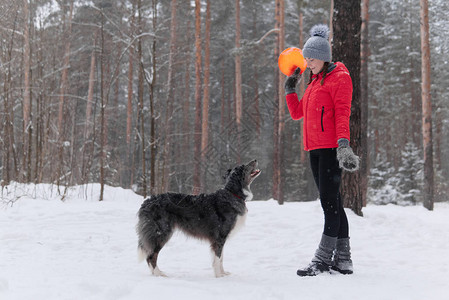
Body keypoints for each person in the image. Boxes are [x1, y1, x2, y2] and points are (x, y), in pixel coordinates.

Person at [284, 24, 359, 277]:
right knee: (334, 202)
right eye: (306, 58)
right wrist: (290, 89)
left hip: (330, 149)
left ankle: (322, 260)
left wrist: (343, 145)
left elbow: (342, 114)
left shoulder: (340, 78)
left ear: (324, 57)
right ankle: (344, 260)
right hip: (314, 149)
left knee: (329, 204)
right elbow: (297, 113)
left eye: (311, 59)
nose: (307, 63)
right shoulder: (315, 82)